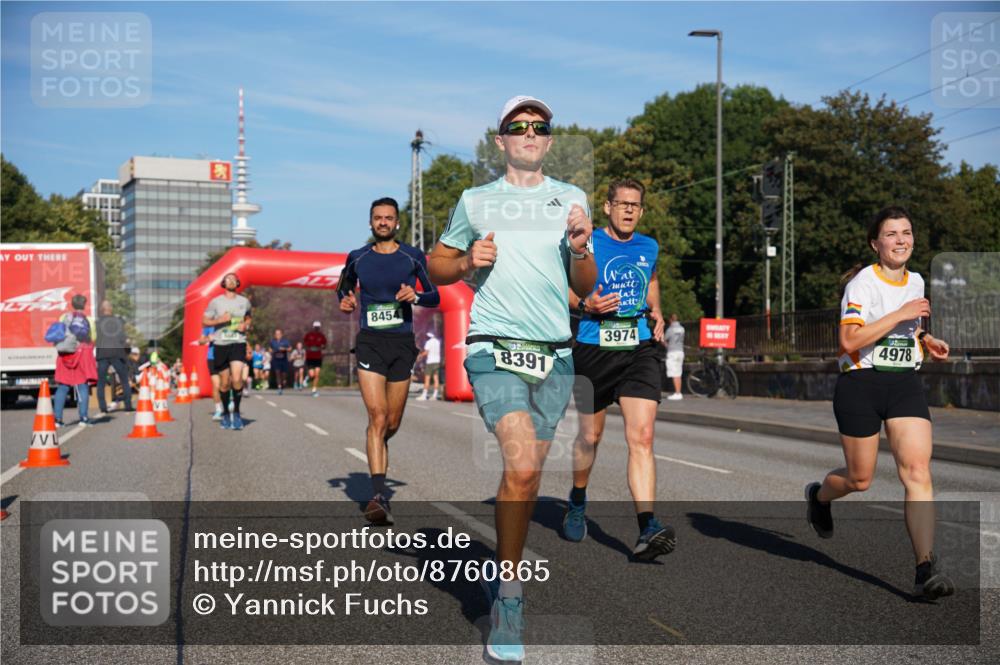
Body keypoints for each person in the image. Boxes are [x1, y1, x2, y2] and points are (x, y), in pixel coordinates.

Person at [429, 95, 595, 663]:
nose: (529, 133)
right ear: (499, 140)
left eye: (539, 126)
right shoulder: (475, 201)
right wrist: (467, 260)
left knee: (525, 480)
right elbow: (437, 264)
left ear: (548, 139)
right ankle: (510, 594)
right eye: (517, 126)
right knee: (521, 464)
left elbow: (585, 275)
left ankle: (507, 577)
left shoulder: (571, 199)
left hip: (555, 353)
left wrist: (580, 248)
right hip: (494, 347)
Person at [805, 206, 955, 601]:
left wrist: (925, 340)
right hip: (861, 383)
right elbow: (849, 342)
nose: (901, 240)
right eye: (892, 234)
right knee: (860, 479)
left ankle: (925, 568)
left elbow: (910, 328)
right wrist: (900, 313)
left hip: (904, 383)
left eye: (907, 232)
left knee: (918, 472)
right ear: (876, 243)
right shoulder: (861, 284)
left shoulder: (917, 281)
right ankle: (819, 497)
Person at [563, 178, 675, 560]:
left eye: (635, 205)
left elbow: (653, 279)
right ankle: (577, 498)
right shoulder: (587, 243)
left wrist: (655, 308)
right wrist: (585, 306)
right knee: (589, 439)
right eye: (621, 203)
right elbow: (560, 287)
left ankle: (647, 528)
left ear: (641, 211)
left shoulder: (649, 246)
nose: (628, 209)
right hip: (593, 349)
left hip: (639, 349)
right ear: (608, 207)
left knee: (641, 438)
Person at [338, 196, 441, 526]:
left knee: (391, 423)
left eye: (388, 218)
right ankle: (378, 495)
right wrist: (347, 300)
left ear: (397, 223)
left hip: (401, 344)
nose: (383, 222)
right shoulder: (358, 258)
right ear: (370, 223)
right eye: (377, 218)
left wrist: (417, 296)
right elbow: (342, 288)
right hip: (370, 343)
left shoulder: (413, 256)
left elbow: (435, 295)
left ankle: (375, 443)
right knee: (377, 415)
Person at [202, 272, 252, 430]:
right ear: (223, 283)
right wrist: (219, 320)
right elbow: (204, 321)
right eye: (227, 279)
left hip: (238, 342)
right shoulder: (215, 302)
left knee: (237, 379)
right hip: (220, 344)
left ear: (238, 283)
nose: (230, 281)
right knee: (224, 383)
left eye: (234, 279)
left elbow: (249, 317)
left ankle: (236, 413)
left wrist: (246, 326)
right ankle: (224, 413)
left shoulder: (244, 302)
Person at [53, 294, 98, 427]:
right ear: (84, 305)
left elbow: (58, 334)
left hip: (65, 354)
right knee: (82, 385)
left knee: (63, 386)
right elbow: (93, 337)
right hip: (81, 354)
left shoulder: (63, 317)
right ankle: (83, 418)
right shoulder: (88, 320)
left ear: (72, 304)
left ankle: (58, 420)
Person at [95, 300, 133, 414]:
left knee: (101, 381)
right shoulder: (119, 321)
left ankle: (103, 407)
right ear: (111, 308)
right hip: (117, 352)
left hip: (102, 353)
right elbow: (123, 338)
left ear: (102, 309)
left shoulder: (97, 322)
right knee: (124, 379)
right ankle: (128, 405)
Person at [198, 327, 224, 420]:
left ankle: (229, 403)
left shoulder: (228, 323)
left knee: (225, 384)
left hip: (226, 357)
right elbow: (200, 341)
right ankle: (218, 410)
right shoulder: (209, 326)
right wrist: (208, 338)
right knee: (216, 385)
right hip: (212, 358)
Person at [664, 313, 685, 400]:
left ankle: (677, 393)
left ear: (670, 320)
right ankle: (678, 391)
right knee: (678, 373)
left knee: (674, 373)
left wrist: (666, 345)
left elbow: (664, 339)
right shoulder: (682, 329)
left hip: (672, 352)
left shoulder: (670, 329)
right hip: (680, 351)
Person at [303, 321, 327, 397]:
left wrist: (322, 347)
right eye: (315, 327)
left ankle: (314, 389)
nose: (316, 328)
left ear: (319, 327)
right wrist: (308, 348)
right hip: (310, 357)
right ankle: (308, 378)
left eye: (318, 327)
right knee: (312, 374)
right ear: (313, 327)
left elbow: (325, 344)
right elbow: (304, 342)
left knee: (317, 374)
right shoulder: (309, 335)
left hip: (318, 357)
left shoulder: (321, 336)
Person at [416, 331, 441, 400]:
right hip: (437, 361)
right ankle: (435, 395)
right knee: (436, 378)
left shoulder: (428, 342)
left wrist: (419, 356)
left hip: (430, 362)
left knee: (427, 379)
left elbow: (426, 352)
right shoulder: (437, 342)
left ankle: (424, 395)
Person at [270, 329, 291, 395]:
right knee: (277, 373)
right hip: (276, 360)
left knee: (283, 374)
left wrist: (284, 349)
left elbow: (290, 348)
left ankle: (284, 381)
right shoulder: (272, 341)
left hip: (283, 360)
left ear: (281, 334)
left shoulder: (285, 341)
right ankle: (279, 387)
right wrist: (272, 351)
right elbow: (270, 349)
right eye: (276, 334)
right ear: (275, 335)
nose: (277, 335)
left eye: (279, 334)